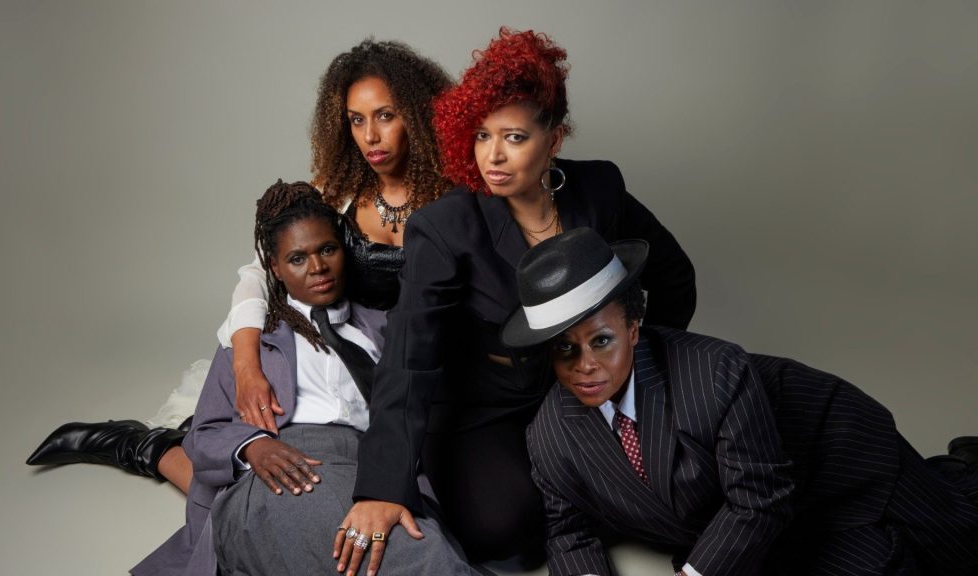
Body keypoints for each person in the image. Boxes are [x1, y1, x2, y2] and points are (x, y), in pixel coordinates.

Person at [336, 28, 697, 574]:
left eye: (514, 137)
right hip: (484, 405)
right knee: (504, 531)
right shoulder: (445, 226)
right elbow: (409, 356)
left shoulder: (597, 191)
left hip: (582, 387)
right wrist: (381, 487)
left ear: (553, 138)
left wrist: (640, 369)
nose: (493, 156)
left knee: (687, 481)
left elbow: (673, 275)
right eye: (481, 136)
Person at [25, 39, 452, 494]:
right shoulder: (338, 190)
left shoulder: (455, 197)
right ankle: (146, 448)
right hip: (335, 349)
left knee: (435, 497)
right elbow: (258, 274)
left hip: (422, 364)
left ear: (419, 115)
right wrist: (247, 368)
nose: (370, 136)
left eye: (386, 115)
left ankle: (160, 447)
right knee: (269, 482)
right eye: (356, 120)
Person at [504, 227, 978, 576]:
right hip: (755, 527)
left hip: (837, 460)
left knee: (960, 544)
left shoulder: (715, 371)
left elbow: (757, 500)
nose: (584, 364)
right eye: (565, 348)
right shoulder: (549, 434)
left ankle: (961, 473)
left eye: (601, 341)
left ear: (633, 327)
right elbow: (568, 532)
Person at [133, 181, 477, 576]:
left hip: (375, 468)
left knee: (423, 543)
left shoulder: (383, 329)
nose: (317, 268)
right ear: (274, 269)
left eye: (327, 250)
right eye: (297, 259)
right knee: (399, 559)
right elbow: (205, 432)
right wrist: (253, 447)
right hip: (286, 472)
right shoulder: (254, 340)